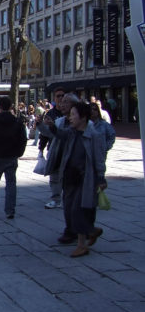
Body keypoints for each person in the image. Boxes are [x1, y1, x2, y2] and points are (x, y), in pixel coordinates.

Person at [40, 102, 107, 257]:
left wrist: (101, 178)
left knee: (77, 211)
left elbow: (99, 159)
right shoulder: (71, 132)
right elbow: (59, 134)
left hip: (85, 180)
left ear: (83, 117)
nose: (70, 118)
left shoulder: (94, 135)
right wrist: (51, 126)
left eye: (73, 114)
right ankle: (91, 230)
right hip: (69, 177)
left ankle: (81, 245)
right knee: (69, 211)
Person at [0, 96, 27, 219]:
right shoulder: (17, 121)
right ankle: (10, 209)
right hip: (12, 155)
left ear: (0, 106)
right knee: (11, 183)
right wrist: (19, 152)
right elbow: (23, 139)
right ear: (10, 106)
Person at [39, 87, 65, 209]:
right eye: (58, 96)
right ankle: (56, 198)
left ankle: (68, 197)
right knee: (54, 175)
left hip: (67, 149)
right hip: (54, 148)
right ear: (54, 99)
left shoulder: (70, 113)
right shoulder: (50, 114)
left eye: (62, 96)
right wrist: (41, 148)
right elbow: (46, 133)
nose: (60, 98)